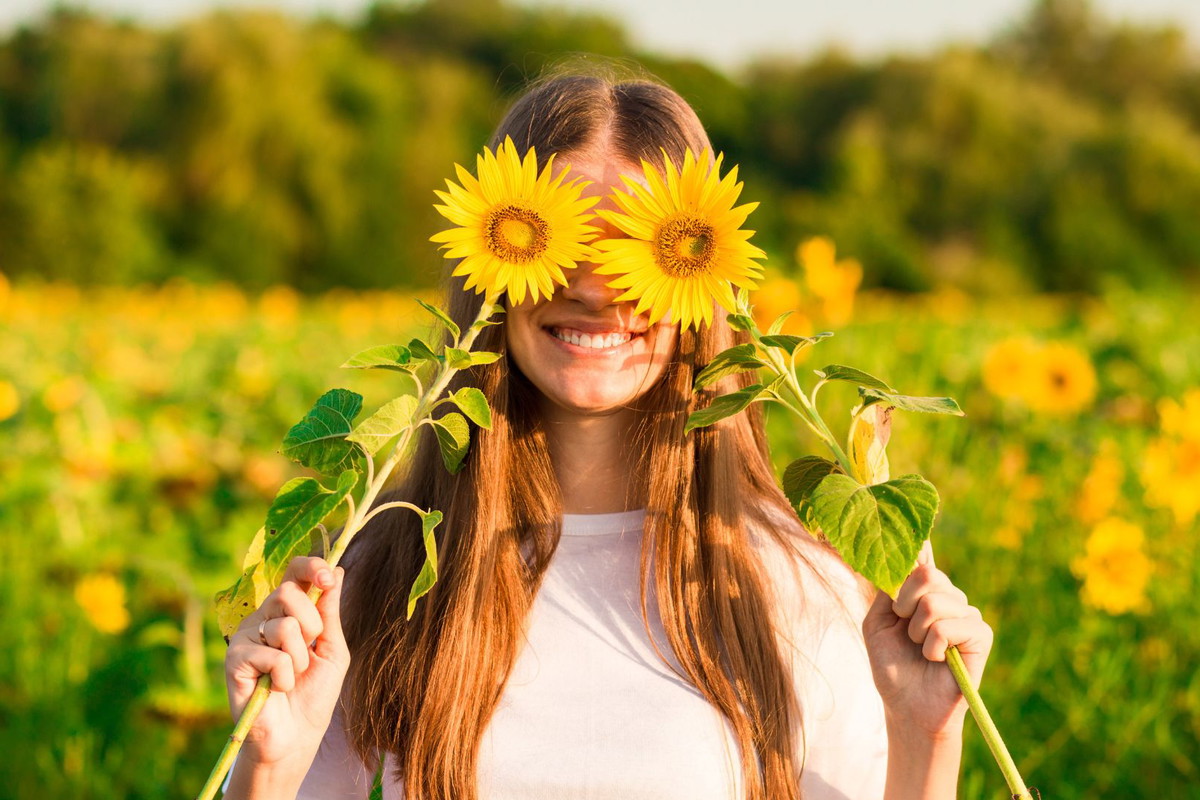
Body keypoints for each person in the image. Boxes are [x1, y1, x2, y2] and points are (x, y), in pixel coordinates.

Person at [222, 72, 993, 800]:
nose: (595, 285)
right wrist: (266, 768)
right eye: (552, 242)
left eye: (639, 248)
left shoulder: (802, 585)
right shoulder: (381, 577)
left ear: (703, 276)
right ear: (488, 262)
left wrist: (927, 735)